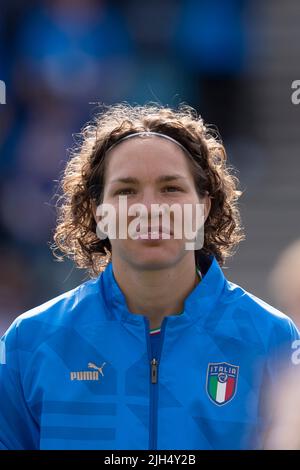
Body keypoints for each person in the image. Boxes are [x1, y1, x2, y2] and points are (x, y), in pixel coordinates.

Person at [0, 103, 299, 450]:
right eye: (126, 190)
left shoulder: (272, 338)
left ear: (204, 205)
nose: (149, 208)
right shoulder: (31, 340)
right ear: (99, 212)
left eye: (170, 188)